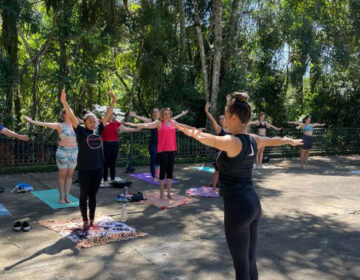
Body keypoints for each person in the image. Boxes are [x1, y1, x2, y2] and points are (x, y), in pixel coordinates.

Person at [176, 92, 302, 280]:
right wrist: (287, 141)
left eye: (226, 117)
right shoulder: (253, 139)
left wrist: (194, 134)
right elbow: (272, 141)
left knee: (241, 266)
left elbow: (213, 140)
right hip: (253, 204)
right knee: (249, 261)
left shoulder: (232, 142)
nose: (225, 120)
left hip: (238, 209)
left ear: (234, 118)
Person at [60, 89, 116, 230]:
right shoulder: (80, 131)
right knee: (84, 195)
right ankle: (85, 220)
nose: (93, 122)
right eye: (90, 121)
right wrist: (64, 102)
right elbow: (72, 117)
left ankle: (92, 219)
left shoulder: (98, 130)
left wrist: (113, 101)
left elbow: (107, 115)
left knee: (93, 195)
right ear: (84, 122)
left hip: (98, 168)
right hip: (84, 168)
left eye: (94, 121)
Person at [125, 108, 188, 199]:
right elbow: (145, 124)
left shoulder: (171, 122)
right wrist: (133, 123)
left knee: (170, 171)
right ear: (162, 114)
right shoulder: (157, 122)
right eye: (165, 114)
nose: (166, 115)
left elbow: (183, 125)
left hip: (171, 149)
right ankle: (161, 190)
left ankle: (169, 192)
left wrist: (195, 129)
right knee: (157, 165)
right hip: (160, 148)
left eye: (168, 114)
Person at [24, 111, 78, 204]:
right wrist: (32, 121)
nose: (70, 114)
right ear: (64, 115)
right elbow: (46, 124)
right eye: (68, 112)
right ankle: (61, 197)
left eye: (71, 112)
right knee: (62, 175)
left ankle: (67, 197)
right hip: (63, 152)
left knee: (69, 175)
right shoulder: (60, 125)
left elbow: (92, 124)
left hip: (74, 152)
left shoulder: (76, 126)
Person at [101, 113, 142, 184]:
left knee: (113, 162)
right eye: (109, 114)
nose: (111, 115)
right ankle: (104, 179)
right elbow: (91, 124)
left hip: (115, 144)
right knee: (106, 162)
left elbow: (126, 128)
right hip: (105, 144)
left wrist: (136, 129)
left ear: (114, 115)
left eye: (112, 114)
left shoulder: (117, 123)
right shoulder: (103, 121)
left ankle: (112, 179)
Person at [204, 101, 228, 192]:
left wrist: (228, 102)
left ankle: (224, 186)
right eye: (220, 119)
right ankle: (214, 188)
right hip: (220, 154)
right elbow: (212, 120)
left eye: (223, 118)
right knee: (217, 171)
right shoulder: (219, 129)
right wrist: (207, 111)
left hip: (228, 153)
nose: (221, 120)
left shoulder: (230, 129)